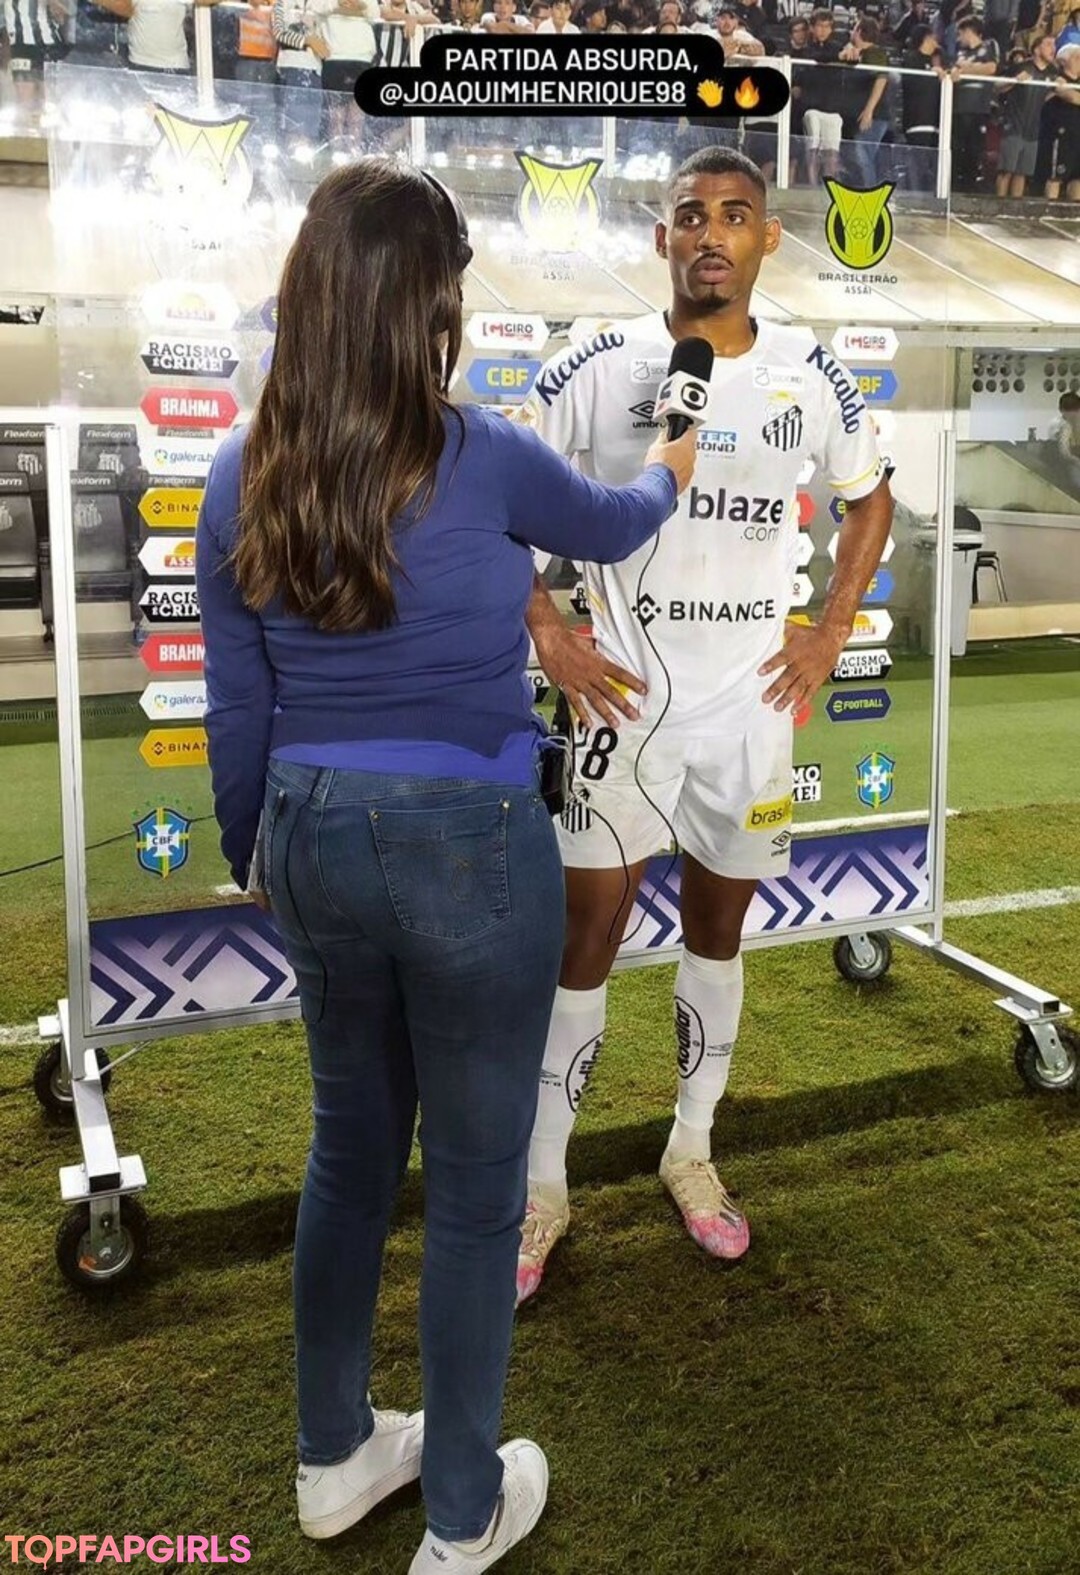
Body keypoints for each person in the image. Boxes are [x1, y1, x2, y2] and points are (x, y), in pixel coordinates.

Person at [195, 159, 696, 1573]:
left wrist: (260, 849)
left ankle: (333, 1459)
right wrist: (676, 455)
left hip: (307, 833)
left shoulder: (241, 467)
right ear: (428, 303)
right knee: (476, 1190)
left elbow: (239, 704)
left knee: (349, 1157)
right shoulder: (480, 454)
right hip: (469, 843)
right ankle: (463, 1514)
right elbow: (619, 522)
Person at [512, 146, 894, 1305]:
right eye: (690, 215)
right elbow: (493, 496)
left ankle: (691, 1152)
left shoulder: (808, 371)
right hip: (622, 703)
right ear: (662, 238)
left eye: (734, 215)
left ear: (767, 237)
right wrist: (548, 628)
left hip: (750, 712)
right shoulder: (597, 365)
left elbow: (871, 497)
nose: (710, 234)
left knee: (717, 936)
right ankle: (542, 1188)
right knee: (584, 935)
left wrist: (830, 629)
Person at [994, 31, 1058, 196]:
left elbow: (1051, 93)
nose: (1053, 49)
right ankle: (999, 205)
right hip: (1013, 127)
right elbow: (996, 87)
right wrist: (1014, 81)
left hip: (1033, 131)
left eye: (1054, 45)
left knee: (1022, 173)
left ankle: (1015, 207)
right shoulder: (1022, 67)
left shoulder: (1053, 72)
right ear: (1036, 49)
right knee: (1006, 171)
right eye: (1048, 44)